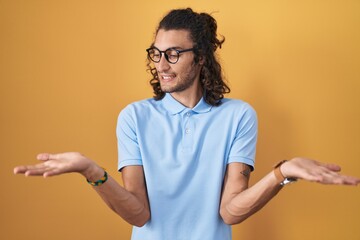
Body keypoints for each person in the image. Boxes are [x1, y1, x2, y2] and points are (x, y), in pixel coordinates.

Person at [13, 8, 359, 240]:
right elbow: (137, 213)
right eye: (156, 53)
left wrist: (282, 172)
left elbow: (230, 210)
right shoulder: (134, 117)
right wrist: (91, 171)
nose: (162, 64)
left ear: (202, 57)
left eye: (174, 53)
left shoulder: (238, 116)